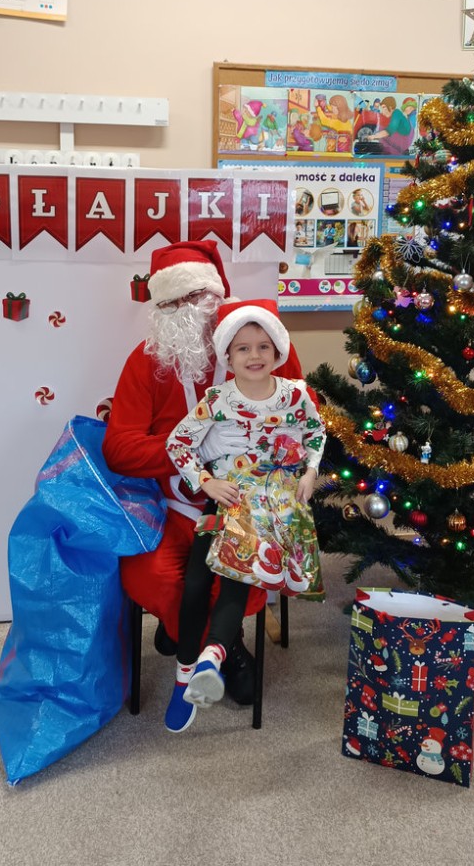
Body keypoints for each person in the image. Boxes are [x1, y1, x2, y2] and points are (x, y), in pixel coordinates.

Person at [101, 241, 308, 704]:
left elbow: (298, 422)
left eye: (196, 296)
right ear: (159, 309)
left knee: (242, 573)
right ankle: (217, 644)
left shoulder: (263, 348)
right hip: (169, 507)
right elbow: (119, 449)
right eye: (172, 302)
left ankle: (199, 640)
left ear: (219, 295)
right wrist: (194, 447)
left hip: (245, 505)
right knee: (155, 578)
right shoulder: (146, 360)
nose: (187, 310)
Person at [161, 299, 326, 731]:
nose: (255, 355)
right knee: (196, 580)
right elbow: (178, 444)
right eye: (243, 348)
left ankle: (211, 656)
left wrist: (310, 472)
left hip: (269, 509)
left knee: (236, 575)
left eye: (263, 346)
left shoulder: (295, 395)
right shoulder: (218, 399)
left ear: (278, 351)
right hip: (226, 499)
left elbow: (316, 432)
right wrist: (206, 481)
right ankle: (188, 673)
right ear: (228, 358)